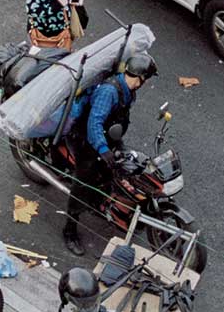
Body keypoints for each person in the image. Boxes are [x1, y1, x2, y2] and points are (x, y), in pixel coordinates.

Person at [61, 52, 155, 249]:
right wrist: (103, 149)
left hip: (109, 137)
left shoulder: (128, 91)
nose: (143, 83)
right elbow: (94, 123)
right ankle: (69, 230)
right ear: (140, 77)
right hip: (87, 141)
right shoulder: (109, 92)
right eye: (144, 79)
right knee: (82, 184)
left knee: (127, 166)